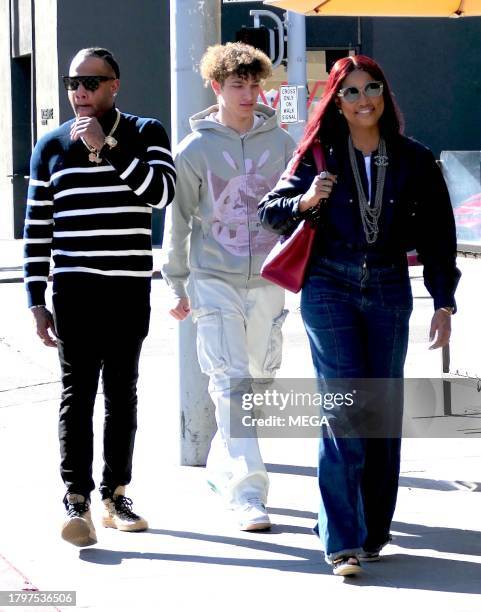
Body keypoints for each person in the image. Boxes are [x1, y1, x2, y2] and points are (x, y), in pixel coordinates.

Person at [258, 55, 460, 574]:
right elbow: (269, 211)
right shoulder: (317, 154)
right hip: (329, 284)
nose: (365, 98)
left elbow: (439, 235)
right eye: (351, 92)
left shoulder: (414, 158)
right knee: (344, 407)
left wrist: (443, 299)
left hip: (391, 285)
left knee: (380, 409)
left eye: (373, 88)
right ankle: (341, 539)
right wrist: (304, 200)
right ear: (337, 102)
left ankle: (371, 531)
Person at [23, 47, 175, 546]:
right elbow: (38, 228)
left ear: (115, 85)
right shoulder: (49, 147)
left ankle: (115, 494)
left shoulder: (145, 132)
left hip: (127, 288)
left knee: (122, 396)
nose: (80, 91)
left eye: (91, 81)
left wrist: (109, 148)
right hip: (74, 291)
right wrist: (35, 299)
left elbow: (161, 194)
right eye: (72, 82)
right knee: (76, 396)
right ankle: (77, 501)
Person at [161, 42, 295, 530]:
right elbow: (177, 223)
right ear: (216, 87)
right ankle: (247, 494)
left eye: (254, 84)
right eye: (237, 85)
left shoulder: (281, 143)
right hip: (213, 278)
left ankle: (223, 463)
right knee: (232, 382)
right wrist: (175, 283)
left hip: (269, 279)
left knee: (257, 381)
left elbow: (298, 212)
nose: (247, 93)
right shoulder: (194, 150)